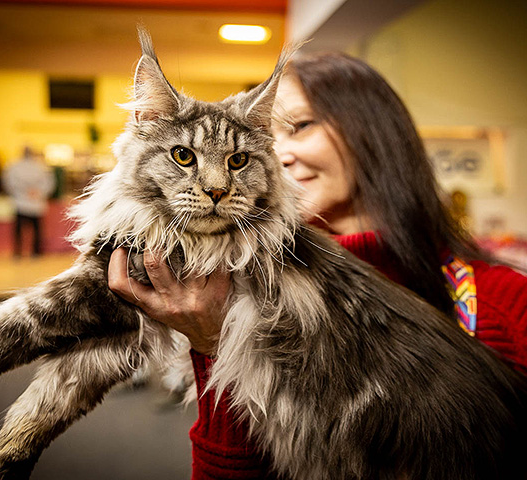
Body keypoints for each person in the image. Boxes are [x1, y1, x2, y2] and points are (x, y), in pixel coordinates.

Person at [107, 52, 527, 479]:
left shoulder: (507, 301)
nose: (275, 154)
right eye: (265, 136)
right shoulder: (230, 284)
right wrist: (214, 345)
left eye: (299, 127)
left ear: (375, 132)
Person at [3, 146, 55, 257]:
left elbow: (9, 183)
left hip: (21, 202)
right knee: (36, 229)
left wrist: (22, 193)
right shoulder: (41, 167)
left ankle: (18, 252)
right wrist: (38, 192)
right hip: (34, 201)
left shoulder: (14, 166)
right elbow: (49, 183)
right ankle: (35, 252)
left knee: (21, 229)